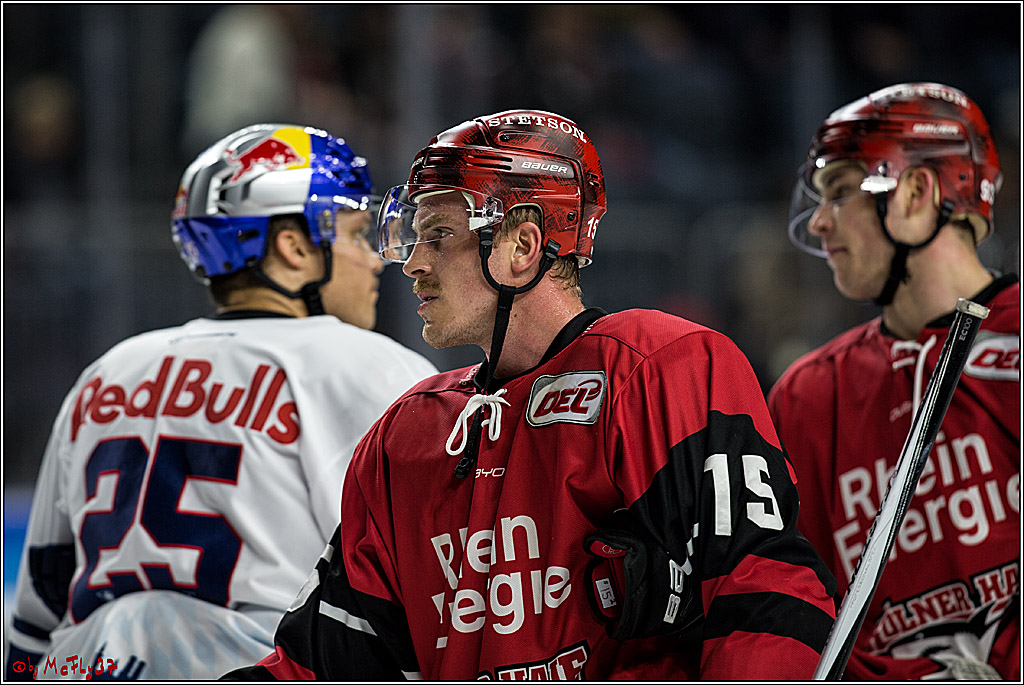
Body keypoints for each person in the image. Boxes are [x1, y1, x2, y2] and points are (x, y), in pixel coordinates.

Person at [223, 110, 837, 680]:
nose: (412, 263)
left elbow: (761, 591)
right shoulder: (403, 435)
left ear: (521, 245)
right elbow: (322, 661)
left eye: (438, 234)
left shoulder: (659, 367)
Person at [3, 124, 437, 680]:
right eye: (355, 234)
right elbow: (432, 581)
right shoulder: (372, 368)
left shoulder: (108, 372)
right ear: (293, 247)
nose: (375, 260)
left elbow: (39, 604)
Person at [769, 83, 1019, 680]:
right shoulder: (807, 397)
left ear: (915, 192)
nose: (819, 222)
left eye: (840, 192)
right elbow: (798, 610)